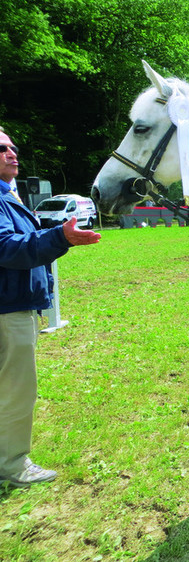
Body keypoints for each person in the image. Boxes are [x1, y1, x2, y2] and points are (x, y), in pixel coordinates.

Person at [0, 126, 101, 488]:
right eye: (2, 149)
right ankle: (12, 466)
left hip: (11, 305)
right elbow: (6, 247)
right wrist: (60, 237)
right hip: (7, 311)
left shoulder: (7, 194)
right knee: (15, 389)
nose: (12, 154)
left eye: (12, 146)